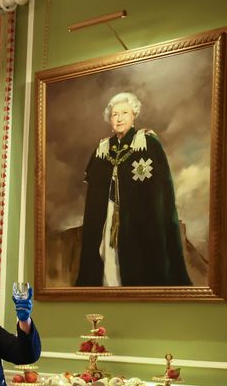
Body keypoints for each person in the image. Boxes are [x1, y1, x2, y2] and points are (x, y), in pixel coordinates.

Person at [75, 91, 191, 287]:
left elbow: (161, 192)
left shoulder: (147, 143)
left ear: (133, 115)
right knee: (108, 256)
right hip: (109, 217)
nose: (119, 119)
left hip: (139, 220)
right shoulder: (102, 149)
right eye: (114, 114)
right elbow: (95, 195)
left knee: (135, 259)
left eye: (124, 113)